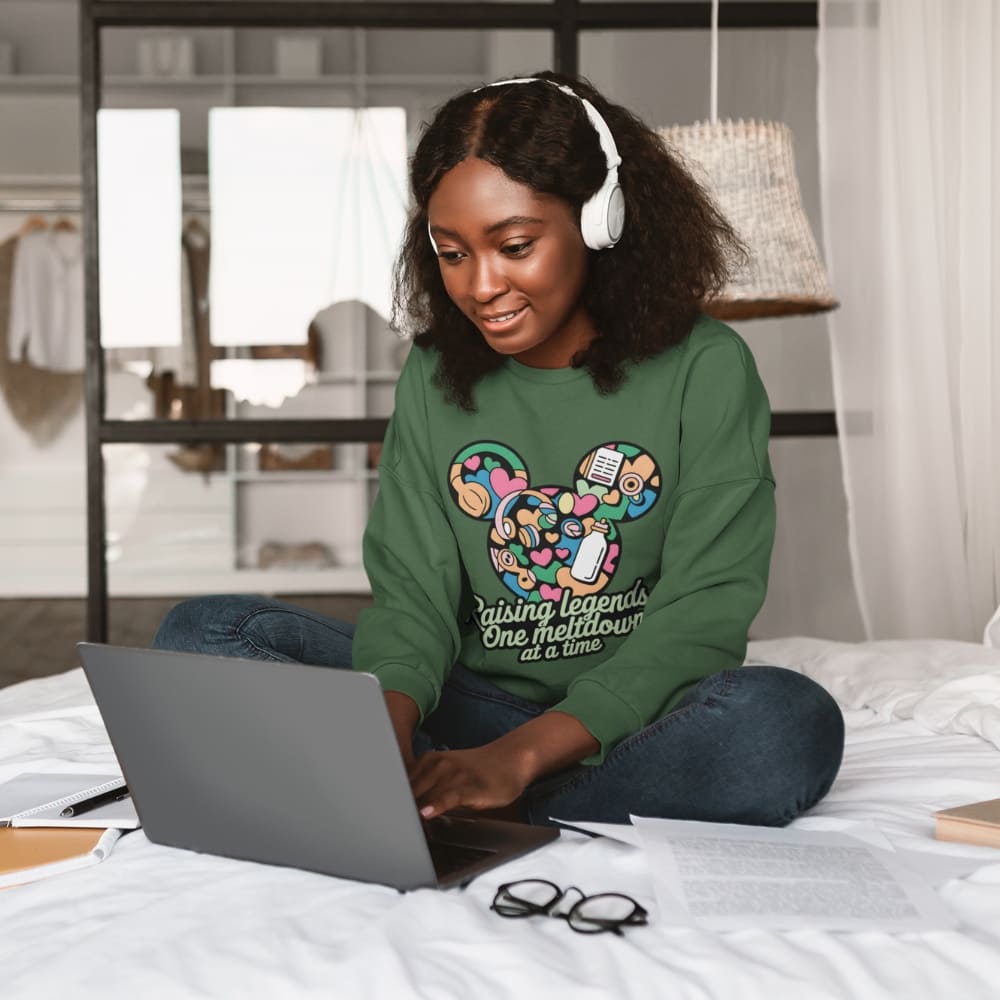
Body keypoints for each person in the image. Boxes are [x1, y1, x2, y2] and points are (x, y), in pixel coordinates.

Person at [153, 72, 844, 828]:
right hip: (471, 708)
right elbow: (413, 597)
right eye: (452, 254)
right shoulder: (435, 371)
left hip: (630, 719)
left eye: (514, 245)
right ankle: (451, 789)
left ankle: (513, 798)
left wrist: (515, 760)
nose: (483, 286)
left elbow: (701, 617)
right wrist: (381, 735)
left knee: (785, 723)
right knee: (204, 633)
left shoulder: (705, 366)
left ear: (600, 220)